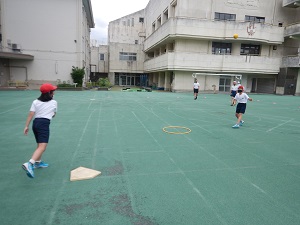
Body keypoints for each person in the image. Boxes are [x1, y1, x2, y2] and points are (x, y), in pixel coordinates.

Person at [22, 83, 58, 178]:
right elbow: (54, 114)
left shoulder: (35, 102)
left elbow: (31, 114)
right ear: (49, 93)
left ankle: (38, 162)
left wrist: (26, 126)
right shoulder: (54, 102)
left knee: (39, 144)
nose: (54, 92)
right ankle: (30, 163)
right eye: (53, 91)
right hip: (43, 124)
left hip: (36, 123)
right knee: (42, 147)